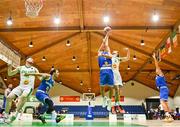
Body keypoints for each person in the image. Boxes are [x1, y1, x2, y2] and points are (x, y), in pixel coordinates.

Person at [4, 57, 39, 123]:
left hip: (29, 88)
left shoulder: (34, 69)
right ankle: (5, 116)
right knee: (9, 97)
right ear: (26, 60)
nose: (31, 59)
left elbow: (40, 77)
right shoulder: (20, 68)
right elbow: (10, 74)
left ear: (32, 62)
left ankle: (15, 115)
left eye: (32, 59)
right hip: (20, 86)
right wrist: (9, 67)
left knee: (23, 97)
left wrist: (42, 76)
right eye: (30, 58)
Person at [152, 53, 174, 122]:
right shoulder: (157, 77)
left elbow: (157, 65)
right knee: (165, 102)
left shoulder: (161, 74)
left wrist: (154, 58)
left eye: (157, 69)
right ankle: (169, 116)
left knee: (162, 102)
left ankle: (167, 114)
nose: (156, 70)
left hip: (164, 89)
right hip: (163, 89)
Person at [98, 26, 114, 111]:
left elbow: (110, 55)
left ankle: (110, 100)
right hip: (102, 70)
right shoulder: (99, 52)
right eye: (103, 45)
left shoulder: (108, 52)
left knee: (111, 87)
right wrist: (106, 35)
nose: (104, 45)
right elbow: (104, 44)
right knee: (101, 87)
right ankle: (104, 98)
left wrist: (107, 34)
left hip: (109, 70)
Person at [111, 49, 130, 114]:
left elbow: (127, 58)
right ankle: (114, 107)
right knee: (115, 89)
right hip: (112, 74)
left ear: (117, 54)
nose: (113, 52)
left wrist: (128, 51)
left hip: (117, 75)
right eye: (113, 52)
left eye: (115, 52)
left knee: (118, 91)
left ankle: (117, 105)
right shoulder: (110, 57)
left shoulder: (118, 59)